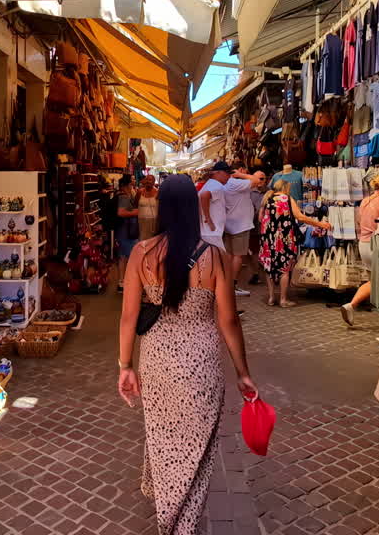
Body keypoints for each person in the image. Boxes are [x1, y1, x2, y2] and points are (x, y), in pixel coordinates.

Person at [117, 175, 257, 535]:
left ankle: (169, 513)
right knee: (199, 444)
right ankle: (183, 521)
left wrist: (125, 366)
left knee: (163, 438)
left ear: (162, 207)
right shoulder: (214, 257)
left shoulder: (141, 254)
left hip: (157, 361)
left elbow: (129, 317)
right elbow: (228, 321)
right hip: (202, 362)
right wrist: (243, 373)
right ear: (195, 209)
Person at [258, 179, 331, 308]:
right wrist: (320, 224)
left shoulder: (267, 198)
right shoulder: (286, 198)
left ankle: (271, 298)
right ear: (286, 188)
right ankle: (283, 299)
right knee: (284, 269)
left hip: (268, 239)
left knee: (269, 268)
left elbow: (260, 219)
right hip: (285, 238)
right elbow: (300, 217)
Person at [341, 173, 379, 327]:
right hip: (378, 245)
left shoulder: (365, 201)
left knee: (375, 281)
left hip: (364, 244)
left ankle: (351, 305)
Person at [222, 166, 262, 296]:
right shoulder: (235, 182)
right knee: (238, 255)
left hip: (229, 223)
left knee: (230, 255)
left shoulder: (226, 184)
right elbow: (257, 180)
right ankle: (232, 285)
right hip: (240, 225)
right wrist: (240, 175)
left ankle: (227, 283)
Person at [198, 162, 232, 250]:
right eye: (227, 173)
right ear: (217, 172)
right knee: (218, 260)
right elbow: (204, 195)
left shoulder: (211, 183)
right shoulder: (216, 185)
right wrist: (208, 219)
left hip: (209, 232)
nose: (229, 176)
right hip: (212, 233)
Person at [115, 175, 140, 291]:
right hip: (126, 231)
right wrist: (136, 212)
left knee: (122, 256)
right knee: (128, 256)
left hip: (123, 230)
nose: (134, 182)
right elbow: (121, 213)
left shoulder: (125, 195)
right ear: (126, 185)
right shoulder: (124, 197)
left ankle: (122, 282)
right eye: (132, 181)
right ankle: (127, 281)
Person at [138, 174, 160, 240]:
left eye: (150, 180)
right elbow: (135, 206)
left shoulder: (158, 192)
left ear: (153, 182)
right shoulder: (139, 192)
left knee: (152, 241)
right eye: (147, 179)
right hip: (141, 222)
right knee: (142, 242)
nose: (148, 181)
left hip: (154, 223)